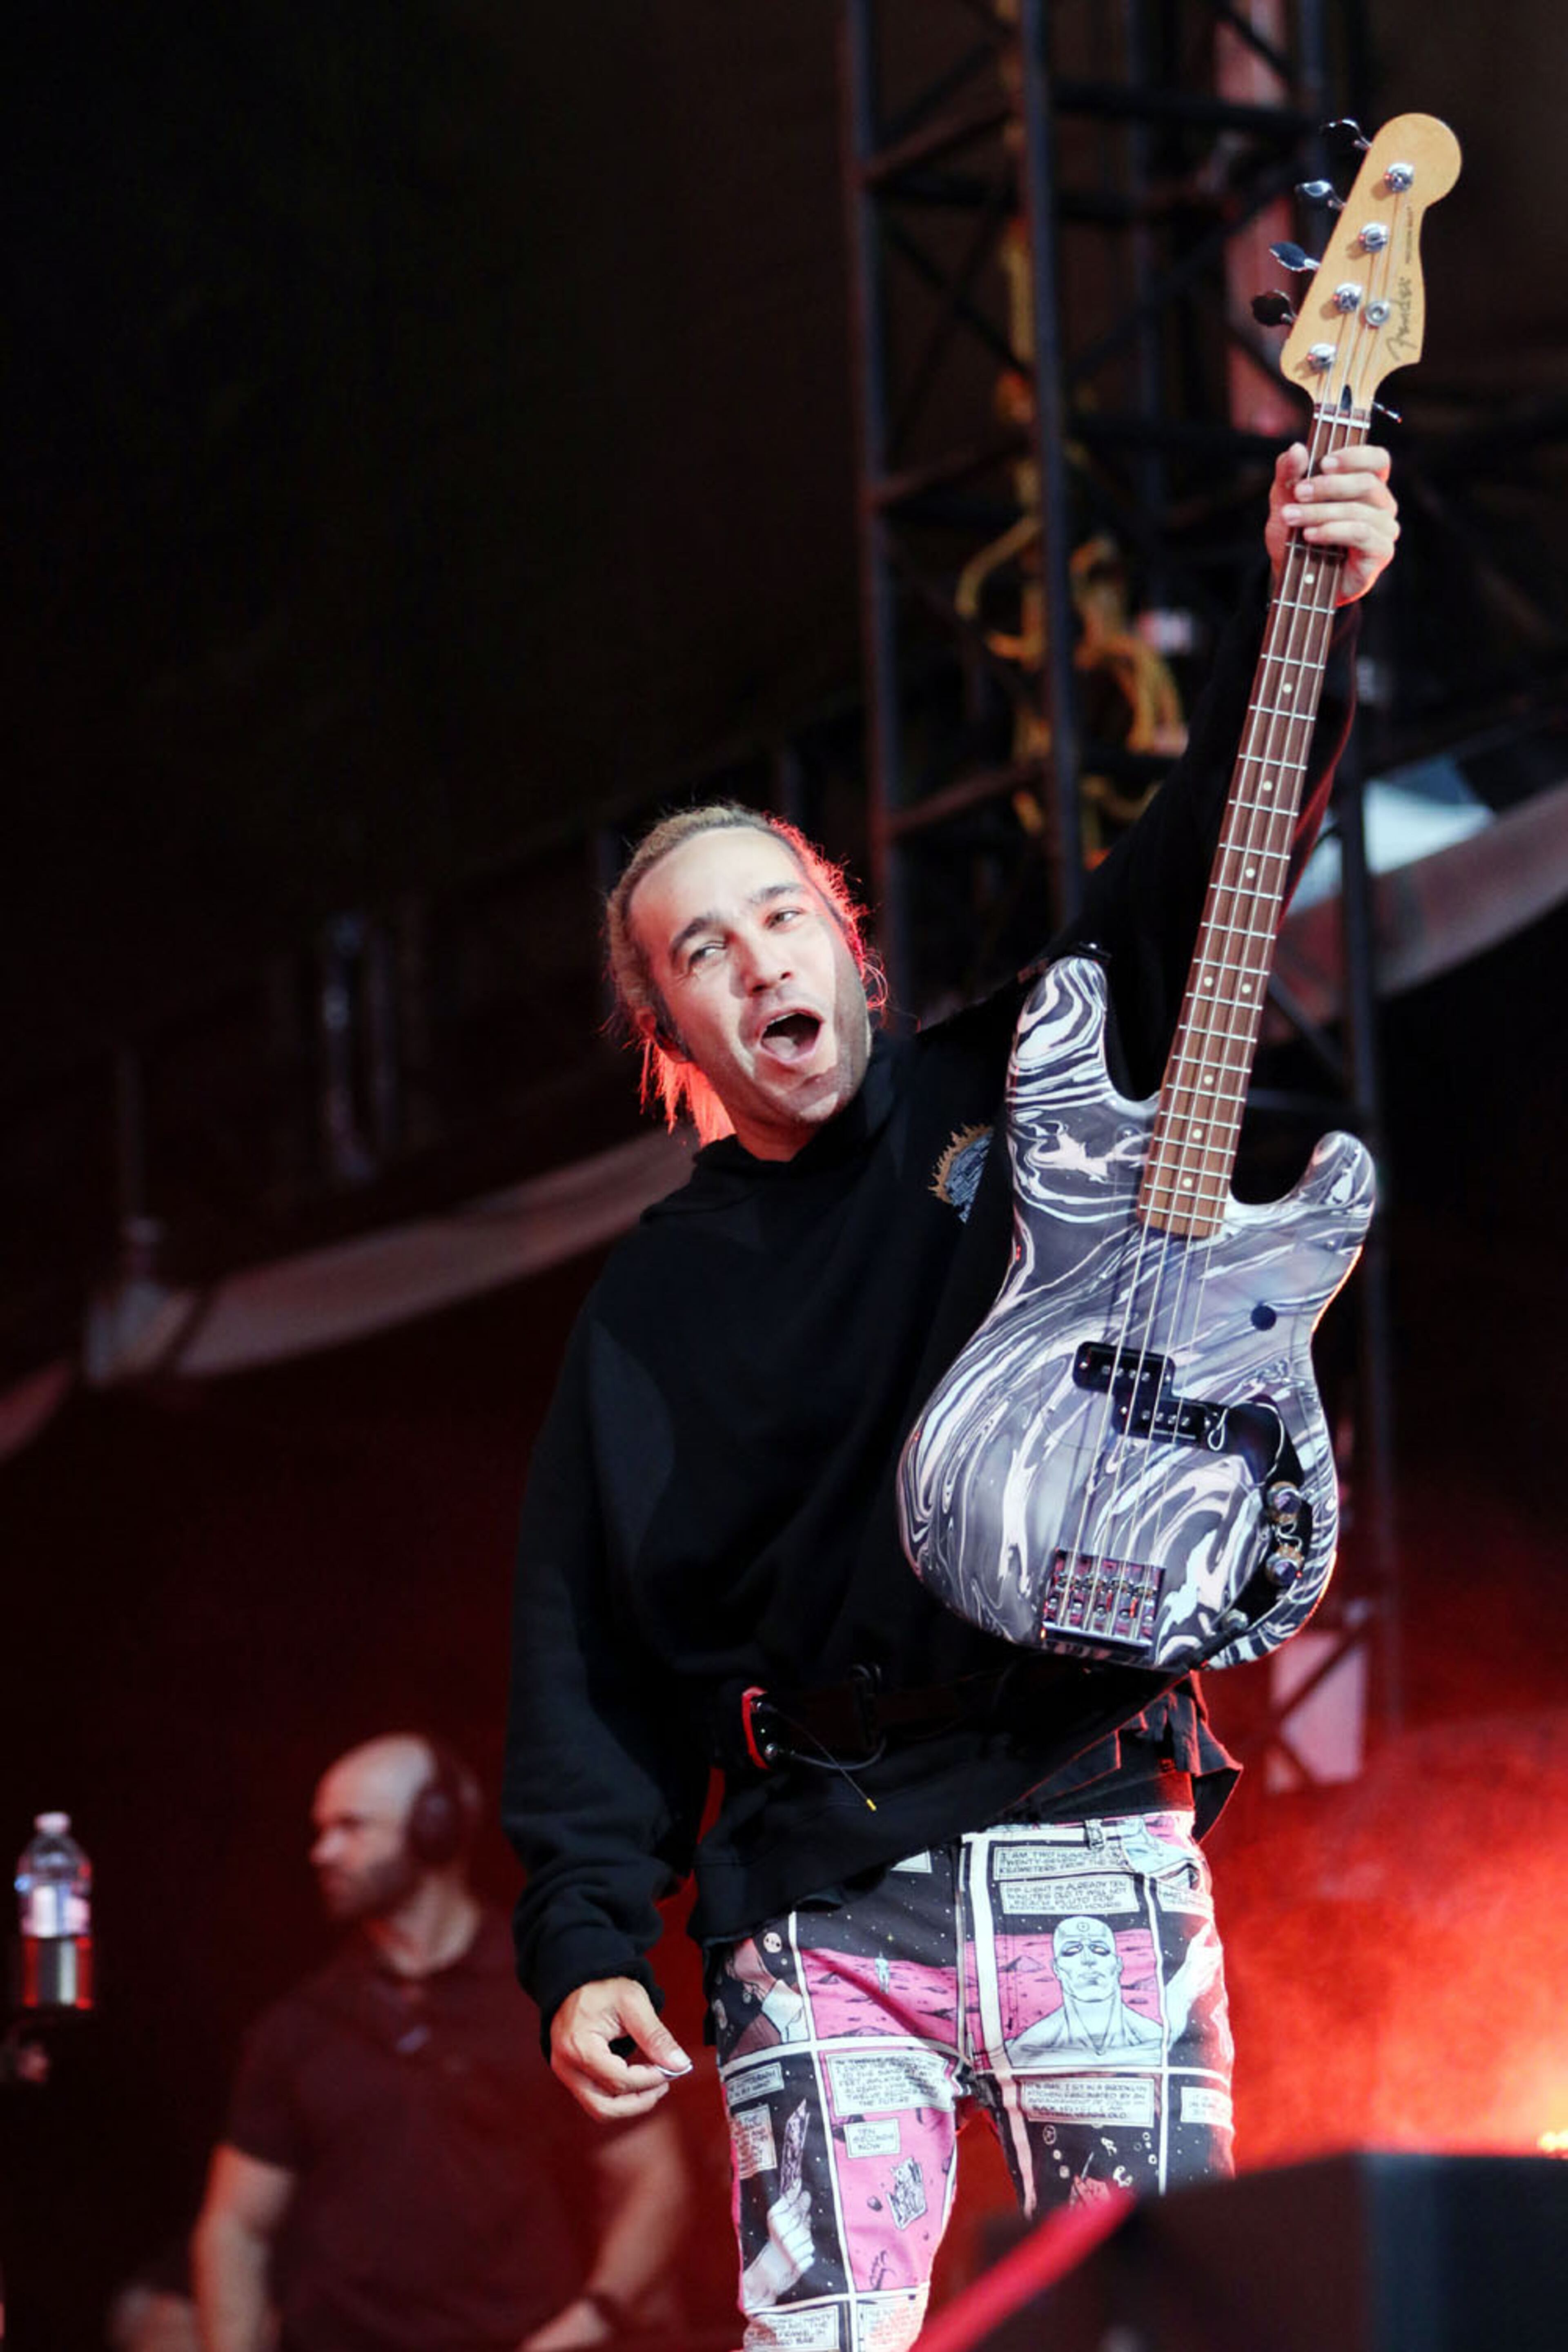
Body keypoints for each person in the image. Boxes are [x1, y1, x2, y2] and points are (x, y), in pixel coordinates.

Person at [503, 445, 1399, 2345]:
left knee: (1173, 2324)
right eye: (700, 950)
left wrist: (1301, 609)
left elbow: (1206, 867)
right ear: (672, 1038)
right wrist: (588, 1936)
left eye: (777, 912)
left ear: (849, 935)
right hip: (822, 1904)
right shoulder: (654, 1306)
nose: (755, 958)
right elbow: (586, 1651)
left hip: (1090, 1824)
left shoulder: (1028, 1084)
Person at [192, 1734, 691, 2352]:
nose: (323, 1852)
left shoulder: (547, 1996)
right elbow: (237, 2226)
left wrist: (588, 2324)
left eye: (352, 1827)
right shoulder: (300, 2024)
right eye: (322, 1829)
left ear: (435, 1827)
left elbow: (652, 2178)